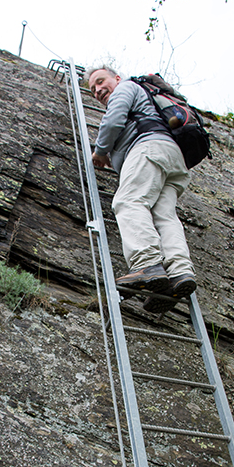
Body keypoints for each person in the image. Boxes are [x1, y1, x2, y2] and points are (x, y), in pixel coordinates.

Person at [88, 66, 196, 310]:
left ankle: (146, 264)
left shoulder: (126, 87)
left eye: (101, 81)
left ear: (117, 78)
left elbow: (113, 120)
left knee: (128, 201)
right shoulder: (145, 98)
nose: (97, 90)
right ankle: (179, 272)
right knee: (164, 216)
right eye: (93, 89)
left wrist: (101, 151)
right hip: (172, 157)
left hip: (148, 149)